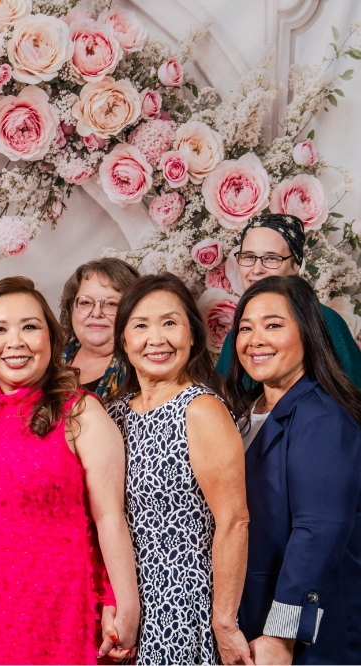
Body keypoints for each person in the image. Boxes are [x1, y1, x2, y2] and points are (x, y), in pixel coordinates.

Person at [0, 276, 140, 664]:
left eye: (30, 327)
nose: (15, 341)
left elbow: (109, 516)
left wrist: (122, 601)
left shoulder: (81, 411)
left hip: (57, 610)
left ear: (51, 338)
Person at [108, 273, 251, 665]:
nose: (156, 339)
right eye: (141, 326)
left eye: (170, 323)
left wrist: (224, 622)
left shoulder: (201, 410)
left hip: (182, 605)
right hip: (126, 605)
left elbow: (234, 521)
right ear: (124, 340)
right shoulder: (114, 415)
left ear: (193, 336)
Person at [226, 275, 361, 664]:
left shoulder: (324, 418)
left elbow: (318, 531)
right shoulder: (242, 411)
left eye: (273, 325)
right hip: (250, 614)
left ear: (307, 333)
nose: (256, 340)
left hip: (307, 636)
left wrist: (281, 635)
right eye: (246, 328)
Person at [215, 214, 361, 387]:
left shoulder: (326, 322)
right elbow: (220, 395)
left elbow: (351, 395)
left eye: (271, 258)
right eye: (248, 257)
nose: (256, 269)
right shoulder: (239, 333)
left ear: (296, 264)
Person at [59, 258, 140, 404]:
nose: (96, 313)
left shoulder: (141, 369)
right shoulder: (48, 361)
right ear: (71, 309)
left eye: (111, 304)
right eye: (85, 302)